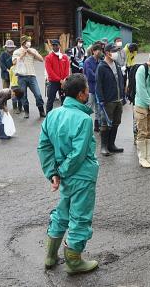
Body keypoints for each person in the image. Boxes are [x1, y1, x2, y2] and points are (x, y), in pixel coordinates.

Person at [37, 73, 100, 275]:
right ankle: (73, 261)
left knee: (62, 213)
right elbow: (79, 153)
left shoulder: (53, 115)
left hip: (65, 177)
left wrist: (53, 173)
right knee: (80, 217)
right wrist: (62, 172)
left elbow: (44, 146)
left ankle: (50, 255)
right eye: (87, 89)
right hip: (82, 176)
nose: (88, 92)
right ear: (81, 94)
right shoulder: (84, 119)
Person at [95, 43, 126, 156]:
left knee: (116, 123)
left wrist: (123, 95)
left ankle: (111, 145)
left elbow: (121, 81)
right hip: (108, 101)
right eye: (114, 51)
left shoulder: (116, 64)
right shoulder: (101, 67)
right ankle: (104, 147)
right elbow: (98, 85)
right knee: (105, 124)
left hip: (118, 99)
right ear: (107, 53)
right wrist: (101, 100)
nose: (116, 53)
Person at [12, 35, 45, 118]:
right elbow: (14, 62)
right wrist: (22, 55)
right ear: (23, 43)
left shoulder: (32, 50)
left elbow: (41, 59)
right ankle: (26, 112)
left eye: (29, 41)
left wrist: (32, 53)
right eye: (28, 41)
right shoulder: (17, 51)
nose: (29, 43)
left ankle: (41, 111)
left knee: (38, 94)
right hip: (21, 77)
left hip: (32, 76)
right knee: (23, 96)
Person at [45, 39, 71, 114]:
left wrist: (65, 79)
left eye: (56, 45)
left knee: (64, 100)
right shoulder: (48, 57)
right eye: (53, 45)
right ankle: (48, 116)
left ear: (59, 45)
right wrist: (60, 80)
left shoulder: (64, 57)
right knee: (51, 100)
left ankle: (64, 114)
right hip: (53, 82)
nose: (55, 47)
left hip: (63, 82)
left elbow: (67, 69)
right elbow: (50, 72)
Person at [83, 44, 103, 132]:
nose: (100, 52)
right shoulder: (88, 61)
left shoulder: (100, 61)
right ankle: (84, 123)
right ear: (93, 51)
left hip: (99, 88)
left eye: (100, 50)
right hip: (90, 88)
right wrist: (99, 77)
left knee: (98, 107)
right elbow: (90, 75)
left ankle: (97, 125)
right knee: (89, 106)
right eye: (98, 50)